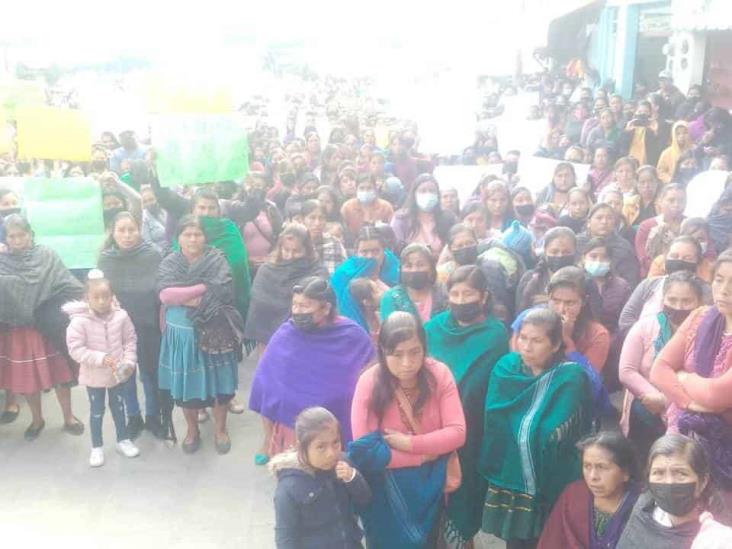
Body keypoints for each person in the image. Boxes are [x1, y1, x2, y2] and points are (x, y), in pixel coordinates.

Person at [349, 312, 466, 548]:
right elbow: (365, 452)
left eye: (415, 352)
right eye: (397, 354)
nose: (407, 363)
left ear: (424, 348)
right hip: (384, 493)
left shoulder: (439, 374)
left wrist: (409, 444)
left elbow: (457, 433)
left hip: (431, 488)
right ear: (382, 351)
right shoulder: (369, 382)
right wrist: (424, 454)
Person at [480, 309, 592, 548]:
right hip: (510, 469)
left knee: (547, 537)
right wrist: (526, 436)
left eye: (537, 340)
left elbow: (556, 429)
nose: (527, 347)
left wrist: (525, 436)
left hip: (551, 471)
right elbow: (495, 415)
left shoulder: (570, 376)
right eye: (523, 338)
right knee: (516, 540)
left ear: (555, 345)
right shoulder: (506, 367)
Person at [425, 265, 509, 547]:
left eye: (468, 293)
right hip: (429, 424)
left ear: (483, 296)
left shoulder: (496, 334)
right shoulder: (432, 328)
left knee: (463, 496)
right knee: (429, 497)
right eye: (455, 293)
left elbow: (493, 385)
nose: (461, 300)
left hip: (472, 430)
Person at [249, 277, 373, 465]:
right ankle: (272, 445)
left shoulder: (351, 334)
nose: (297, 311)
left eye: (305, 306)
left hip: (335, 422)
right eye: (295, 305)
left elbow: (370, 376)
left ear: (325, 308)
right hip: (294, 427)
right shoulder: (286, 334)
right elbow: (266, 383)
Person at [650, 250, 732, 508]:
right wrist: (690, 403)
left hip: (726, 448)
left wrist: (683, 376)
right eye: (719, 279)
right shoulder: (700, 317)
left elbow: (717, 394)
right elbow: (659, 369)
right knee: (677, 512)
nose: (725, 290)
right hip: (683, 433)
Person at [157, 215, 244, 454]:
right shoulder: (169, 262)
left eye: (198, 234)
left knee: (220, 386)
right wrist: (205, 288)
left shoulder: (217, 259)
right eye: (187, 234)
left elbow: (224, 290)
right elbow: (165, 296)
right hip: (182, 335)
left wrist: (184, 295)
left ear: (205, 237)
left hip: (215, 331)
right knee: (187, 389)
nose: (193, 239)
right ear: (178, 238)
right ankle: (192, 430)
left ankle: (220, 430)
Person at [0, 214, 85, 440]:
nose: (17, 240)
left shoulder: (46, 255)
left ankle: (69, 417)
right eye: (12, 236)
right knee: (28, 378)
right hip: (19, 329)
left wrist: (89, 299)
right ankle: (37, 420)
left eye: (22, 235)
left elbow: (67, 283)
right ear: (6, 238)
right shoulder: (2, 261)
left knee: (60, 374)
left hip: (48, 326)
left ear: (30, 234)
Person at [619, 271, 704, 461]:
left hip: (691, 407)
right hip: (648, 404)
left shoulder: (708, 332)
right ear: (662, 299)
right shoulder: (645, 327)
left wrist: (668, 401)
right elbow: (626, 371)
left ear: (699, 302)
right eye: (672, 299)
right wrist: (656, 398)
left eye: (686, 301)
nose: (678, 307)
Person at [98, 212, 164, 439]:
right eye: (121, 230)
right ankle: (133, 416)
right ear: (113, 233)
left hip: (148, 324)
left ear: (139, 230)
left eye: (131, 230)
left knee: (149, 374)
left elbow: (160, 289)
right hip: (118, 329)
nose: (127, 235)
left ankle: (154, 416)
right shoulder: (105, 260)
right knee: (125, 374)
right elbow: (100, 295)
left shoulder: (153, 255)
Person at [64, 271, 140, 467]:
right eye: (96, 297)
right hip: (94, 377)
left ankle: (123, 440)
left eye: (105, 296)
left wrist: (129, 362)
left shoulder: (122, 316)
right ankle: (96, 447)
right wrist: (101, 358)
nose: (101, 301)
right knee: (96, 411)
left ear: (112, 296)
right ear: (86, 298)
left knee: (119, 407)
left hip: (118, 377)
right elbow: (76, 350)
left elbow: (130, 340)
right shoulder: (78, 322)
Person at [270, 407, 372, 549]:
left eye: (335, 443)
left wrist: (352, 478)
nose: (331, 453)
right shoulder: (288, 488)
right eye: (321, 447)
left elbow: (364, 499)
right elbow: (286, 537)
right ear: (302, 448)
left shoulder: (344, 464)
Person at [538, 431, 640, 549]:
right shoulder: (574, 495)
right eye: (587, 466)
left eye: (602, 467)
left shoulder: (641, 506)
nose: (593, 477)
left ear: (626, 473)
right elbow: (553, 541)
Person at [617, 434, 721, 548]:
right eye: (659, 473)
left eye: (681, 473)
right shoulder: (643, 510)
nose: (669, 482)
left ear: (703, 481)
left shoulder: (717, 536)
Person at [245, 224, 328, 347]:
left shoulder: (316, 271)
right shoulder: (267, 270)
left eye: (296, 251)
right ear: (280, 248)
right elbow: (259, 304)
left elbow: (319, 304)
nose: (290, 256)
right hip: (267, 338)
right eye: (286, 250)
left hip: (303, 338)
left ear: (307, 249)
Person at [618, 236, 712, 332]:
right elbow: (626, 319)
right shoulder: (649, 285)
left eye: (687, 258)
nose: (679, 261)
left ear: (698, 262)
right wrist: (643, 339)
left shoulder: (707, 292)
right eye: (674, 256)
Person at [332, 225, 400, 332]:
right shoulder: (343, 275)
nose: (370, 257)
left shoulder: (394, 268)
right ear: (356, 253)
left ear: (384, 251)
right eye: (364, 252)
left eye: (375, 251)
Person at [390, 173, 457, 257]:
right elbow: (395, 248)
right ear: (414, 194)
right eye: (423, 191)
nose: (427, 194)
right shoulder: (401, 218)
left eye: (432, 191)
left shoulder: (448, 218)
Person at [577, 203, 641, 287]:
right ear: (589, 222)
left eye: (609, 218)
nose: (604, 222)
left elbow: (631, 278)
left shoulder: (623, 247)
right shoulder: (577, 242)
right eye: (599, 218)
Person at [380, 243, 448, 323]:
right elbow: (390, 331)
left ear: (431, 269)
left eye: (420, 265)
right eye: (408, 266)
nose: (414, 270)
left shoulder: (443, 292)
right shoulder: (391, 298)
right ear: (401, 269)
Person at [516, 226, 577, 313]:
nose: (560, 256)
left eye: (566, 252)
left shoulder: (582, 280)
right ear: (545, 251)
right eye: (554, 252)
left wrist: (551, 301)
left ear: (575, 251)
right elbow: (519, 313)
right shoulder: (530, 279)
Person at [581, 237, 632, 335]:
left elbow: (626, 319)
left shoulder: (621, 286)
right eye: (593, 256)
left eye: (604, 257)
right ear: (584, 258)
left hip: (614, 340)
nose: (599, 261)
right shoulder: (576, 282)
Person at [635, 183, 687, 277]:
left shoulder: (692, 225)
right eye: (671, 200)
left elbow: (708, 253)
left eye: (681, 200)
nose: (676, 204)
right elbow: (644, 259)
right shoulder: (646, 226)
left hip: (686, 276)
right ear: (660, 201)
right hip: (653, 277)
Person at [239, 172, 284, 274]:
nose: (254, 189)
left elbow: (280, 235)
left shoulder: (270, 208)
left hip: (268, 266)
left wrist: (272, 257)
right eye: (251, 186)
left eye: (258, 186)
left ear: (265, 188)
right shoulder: (235, 209)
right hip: (244, 267)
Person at [648, 218, 716, 281]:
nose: (696, 243)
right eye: (690, 238)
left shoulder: (710, 267)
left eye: (700, 239)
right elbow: (650, 287)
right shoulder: (660, 262)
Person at [300, 200, 347, 275]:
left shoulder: (335, 245)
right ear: (302, 220)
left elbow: (342, 275)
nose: (317, 223)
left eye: (321, 218)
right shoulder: (296, 244)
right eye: (312, 218)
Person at [340, 175, 394, 239]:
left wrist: (387, 249)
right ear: (356, 189)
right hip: (353, 246)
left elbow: (391, 232)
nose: (365, 191)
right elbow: (343, 232)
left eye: (369, 188)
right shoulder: (347, 207)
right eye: (361, 188)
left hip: (383, 246)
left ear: (375, 189)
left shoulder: (386, 207)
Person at [139, 185, 169, 253]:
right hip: (160, 254)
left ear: (157, 198)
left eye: (151, 199)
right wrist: (163, 252)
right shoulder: (144, 218)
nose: (149, 203)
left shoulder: (167, 210)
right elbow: (147, 242)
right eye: (145, 201)